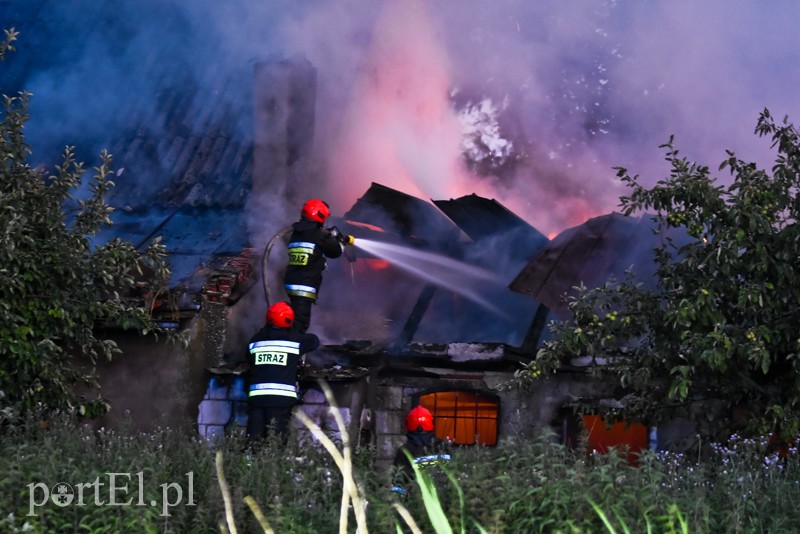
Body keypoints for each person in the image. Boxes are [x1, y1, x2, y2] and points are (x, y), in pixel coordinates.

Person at [244, 301, 319, 448]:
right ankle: (275, 468)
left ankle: (249, 467)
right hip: (280, 400)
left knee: (254, 439)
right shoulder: (294, 341)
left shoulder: (256, 341)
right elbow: (314, 341)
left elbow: (248, 358)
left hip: (257, 398)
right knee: (277, 440)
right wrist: (295, 331)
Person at [391, 405, 451, 497]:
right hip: (441, 500)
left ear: (408, 424)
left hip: (414, 501)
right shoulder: (442, 447)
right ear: (431, 423)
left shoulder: (404, 451)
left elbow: (397, 483)